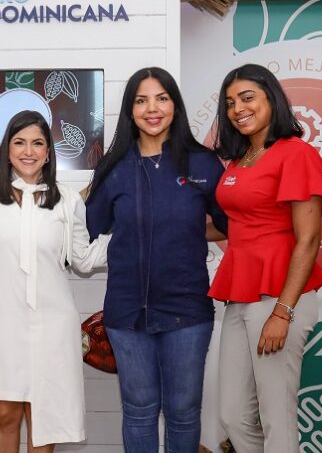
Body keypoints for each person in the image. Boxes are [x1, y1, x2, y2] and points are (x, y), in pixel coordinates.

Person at [85, 67, 228, 452]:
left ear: (175, 106)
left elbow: (228, 224)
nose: (152, 108)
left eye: (161, 98)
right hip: (127, 313)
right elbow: (90, 226)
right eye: (141, 100)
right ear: (130, 110)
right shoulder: (113, 167)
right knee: (138, 410)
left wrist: (187, 229)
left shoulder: (203, 164)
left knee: (183, 411)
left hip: (187, 311)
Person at [0, 110, 109, 452]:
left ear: (48, 151)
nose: (29, 151)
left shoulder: (68, 200)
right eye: (20, 142)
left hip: (52, 325)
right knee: (5, 413)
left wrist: (125, 236)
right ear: (7, 148)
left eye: (38, 143)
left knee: (45, 418)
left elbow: (83, 260)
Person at [209, 63, 322, 452]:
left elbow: (308, 239)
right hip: (239, 297)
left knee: (277, 415)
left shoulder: (296, 154)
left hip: (278, 297)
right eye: (230, 102)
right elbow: (232, 224)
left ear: (271, 99)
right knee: (232, 415)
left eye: (247, 98)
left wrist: (283, 311)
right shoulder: (239, 159)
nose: (237, 109)